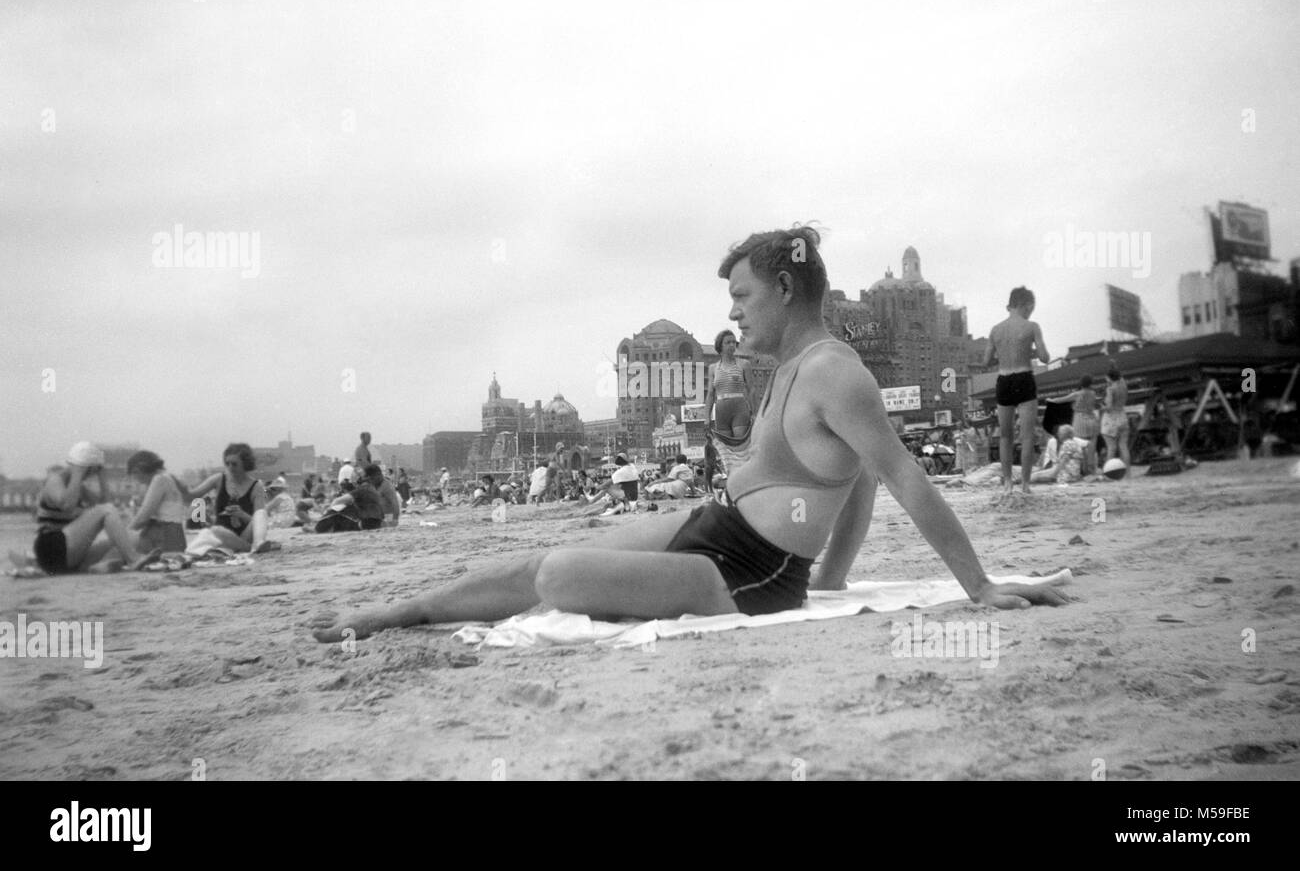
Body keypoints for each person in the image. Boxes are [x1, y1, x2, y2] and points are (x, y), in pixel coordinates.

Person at [312, 225, 1067, 644]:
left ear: (783, 287)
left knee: (555, 579)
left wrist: (979, 584)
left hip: (750, 573)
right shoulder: (790, 367)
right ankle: (403, 609)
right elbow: (858, 484)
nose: (734, 314)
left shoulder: (836, 370)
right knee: (548, 552)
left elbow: (901, 476)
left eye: (741, 295)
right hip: (720, 528)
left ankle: (401, 615)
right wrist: (832, 583)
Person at [28, 442, 160, 574]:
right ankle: (133, 560)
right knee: (106, 510)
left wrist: (102, 475)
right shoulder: (55, 481)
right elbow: (67, 505)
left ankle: (96, 567)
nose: (91, 474)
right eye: (92, 470)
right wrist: (77, 472)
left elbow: (107, 504)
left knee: (128, 538)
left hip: (67, 553)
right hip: (52, 548)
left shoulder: (78, 487)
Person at [985, 287, 1050, 494]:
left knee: (1005, 436)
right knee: (1027, 436)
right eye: (1032, 308)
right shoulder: (1031, 326)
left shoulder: (996, 330)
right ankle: (1025, 484)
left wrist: (1004, 354)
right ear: (1027, 305)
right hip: (1024, 378)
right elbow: (1045, 357)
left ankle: (1007, 484)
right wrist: (1028, 350)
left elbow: (986, 361)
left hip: (1004, 379)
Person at [182, 443, 275, 553]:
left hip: (245, 535)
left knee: (261, 513)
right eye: (227, 464)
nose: (230, 467)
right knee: (215, 531)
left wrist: (242, 515)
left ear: (245, 464)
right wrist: (177, 487)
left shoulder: (256, 486)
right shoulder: (219, 479)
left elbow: (258, 521)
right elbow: (192, 496)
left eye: (234, 464)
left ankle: (258, 543)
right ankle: (249, 548)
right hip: (222, 535)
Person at [126, 450, 188, 553]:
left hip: (165, 538)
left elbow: (143, 517)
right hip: (172, 537)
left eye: (134, 474)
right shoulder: (166, 478)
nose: (135, 479)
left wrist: (123, 534)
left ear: (138, 470)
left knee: (116, 547)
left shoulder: (160, 479)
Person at [1047, 376, 1100, 476]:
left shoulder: (1077, 394)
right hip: (1092, 420)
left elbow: (1062, 399)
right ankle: (1092, 470)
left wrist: (1051, 400)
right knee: (1091, 447)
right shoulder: (1093, 394)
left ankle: (1083, 470)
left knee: (1079, 445)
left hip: (1080, 421)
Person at [705, 329, 752, 442]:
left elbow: (752, 390)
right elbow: (710, 394)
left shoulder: (744, 364)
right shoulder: (713, 368)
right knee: (726, 448)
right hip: (721, 410)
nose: (732, 345)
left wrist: (756, 413)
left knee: (740, 443)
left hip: (739, 407)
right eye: (728, 342)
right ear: (720, 346)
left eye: (733, 342)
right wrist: (707, 418)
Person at [1100, 365, 1131, 471]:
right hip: (1122, 416)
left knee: (1111, 448)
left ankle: (1108, 473)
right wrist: (1114, 366)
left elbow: (1108, 407)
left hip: (1111, 420)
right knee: (1124, 446)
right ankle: (1128, 473)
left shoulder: (1110, 389)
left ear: (1109, 378)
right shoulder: (1124, 386)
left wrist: (1102, 407)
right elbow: (1120, 377)